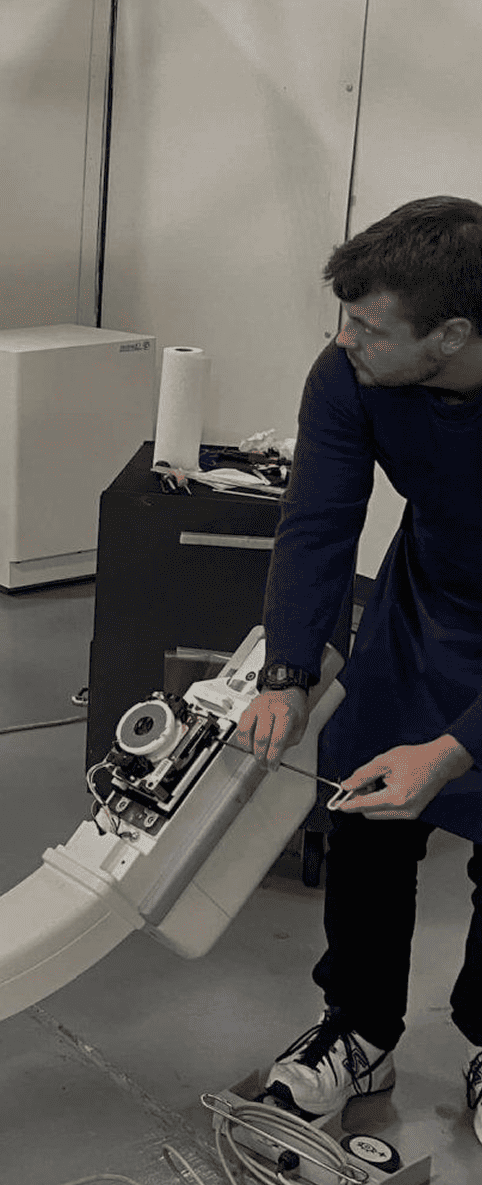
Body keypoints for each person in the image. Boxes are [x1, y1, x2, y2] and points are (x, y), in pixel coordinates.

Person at [233, 196, 482, 1137]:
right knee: (366, 808)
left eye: (370, 328)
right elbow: (317, 519)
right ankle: (360, 1027)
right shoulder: (348, 371)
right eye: (344, 318)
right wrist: (287, 672)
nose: (345, 340)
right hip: (428, 605)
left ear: (451, 334)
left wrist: (453, 750)